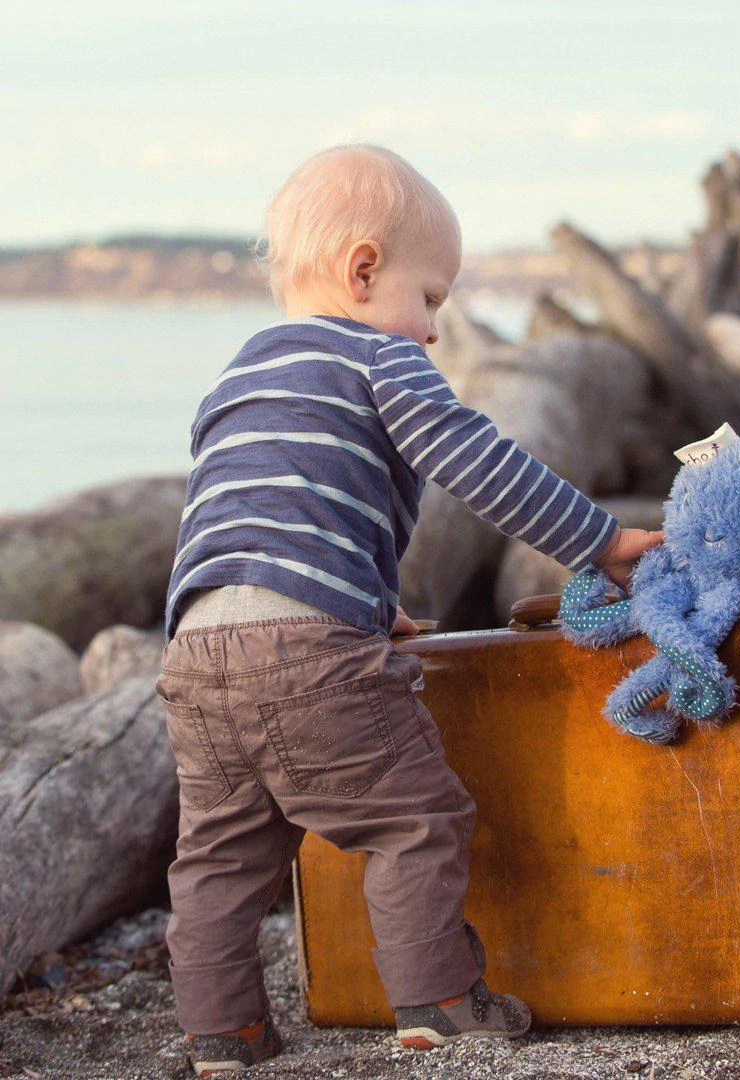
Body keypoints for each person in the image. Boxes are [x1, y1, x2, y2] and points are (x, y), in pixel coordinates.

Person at [154, 144, 663, 1077]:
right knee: (412, 819)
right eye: (432, 298)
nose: (434, 329)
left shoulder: (236, 378)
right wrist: (603, 541)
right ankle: (437, 1000)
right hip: (308, 653)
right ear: (363, 272)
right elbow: (479, 464)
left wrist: (362, 600)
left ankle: (221, 1032)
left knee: (219, 858)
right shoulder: (380, 355)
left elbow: (253, 512)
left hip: (194, 650)